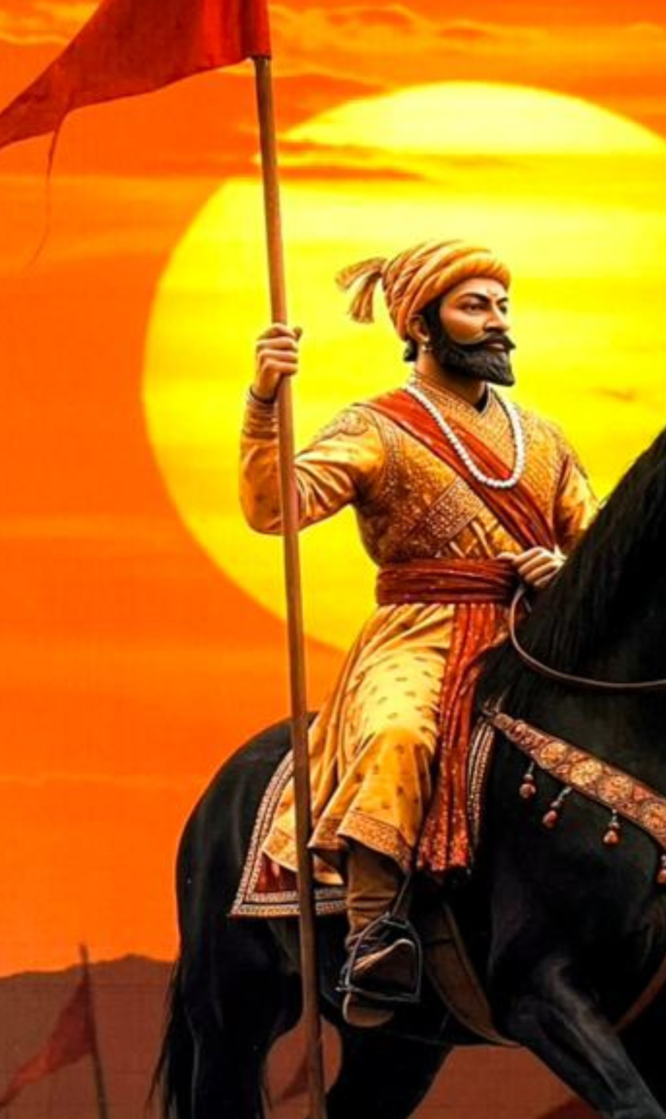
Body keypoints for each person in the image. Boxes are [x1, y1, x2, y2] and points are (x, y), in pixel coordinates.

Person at [241, 238, 598, 1022]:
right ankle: (373, 933)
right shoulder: (374, 427)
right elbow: (275, 509)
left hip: (532, 636)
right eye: (474, 306)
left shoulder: (542, 437)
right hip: (419, 632)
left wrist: (566, 572)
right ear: (421, 324)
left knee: (630, 739)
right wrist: (265, 401)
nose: (497, 322)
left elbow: (600, 546)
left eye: (501, 306)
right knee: (396, 733)